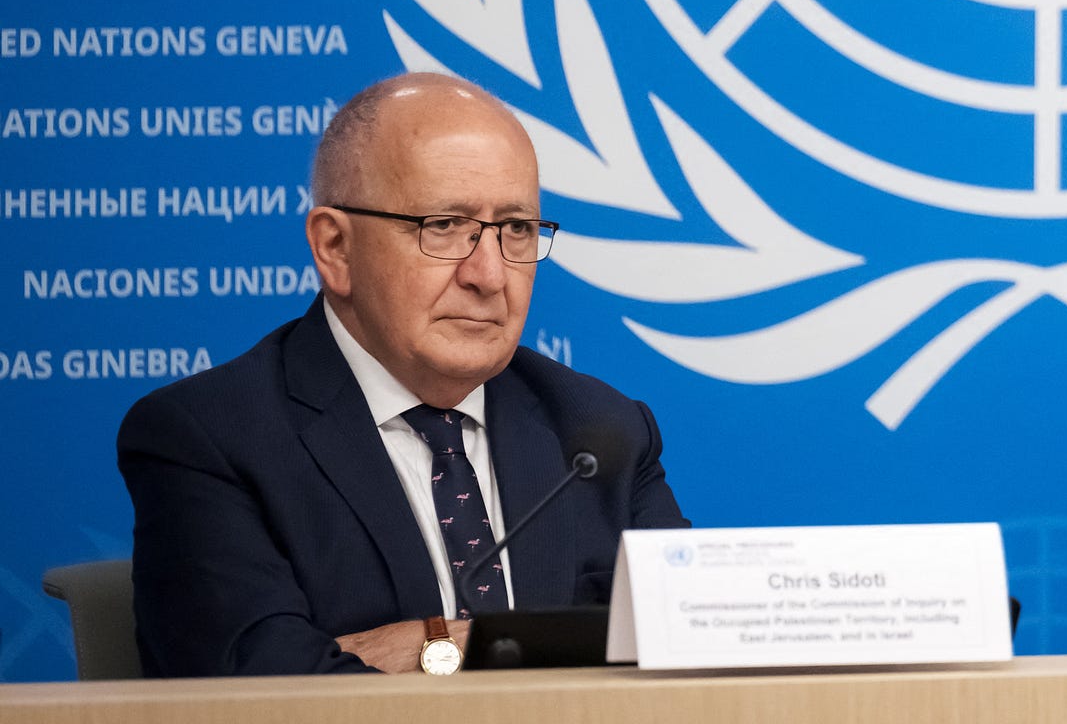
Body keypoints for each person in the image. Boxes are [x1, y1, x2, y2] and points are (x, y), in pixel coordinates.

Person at [117, 74, 687, 676]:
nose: (489, 275)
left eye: (516, 229)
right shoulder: (211, 438)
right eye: (444, 226)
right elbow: (257, 690)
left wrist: (429, 647)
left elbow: (690, 641)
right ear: (336, 248)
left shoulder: (600, 432)